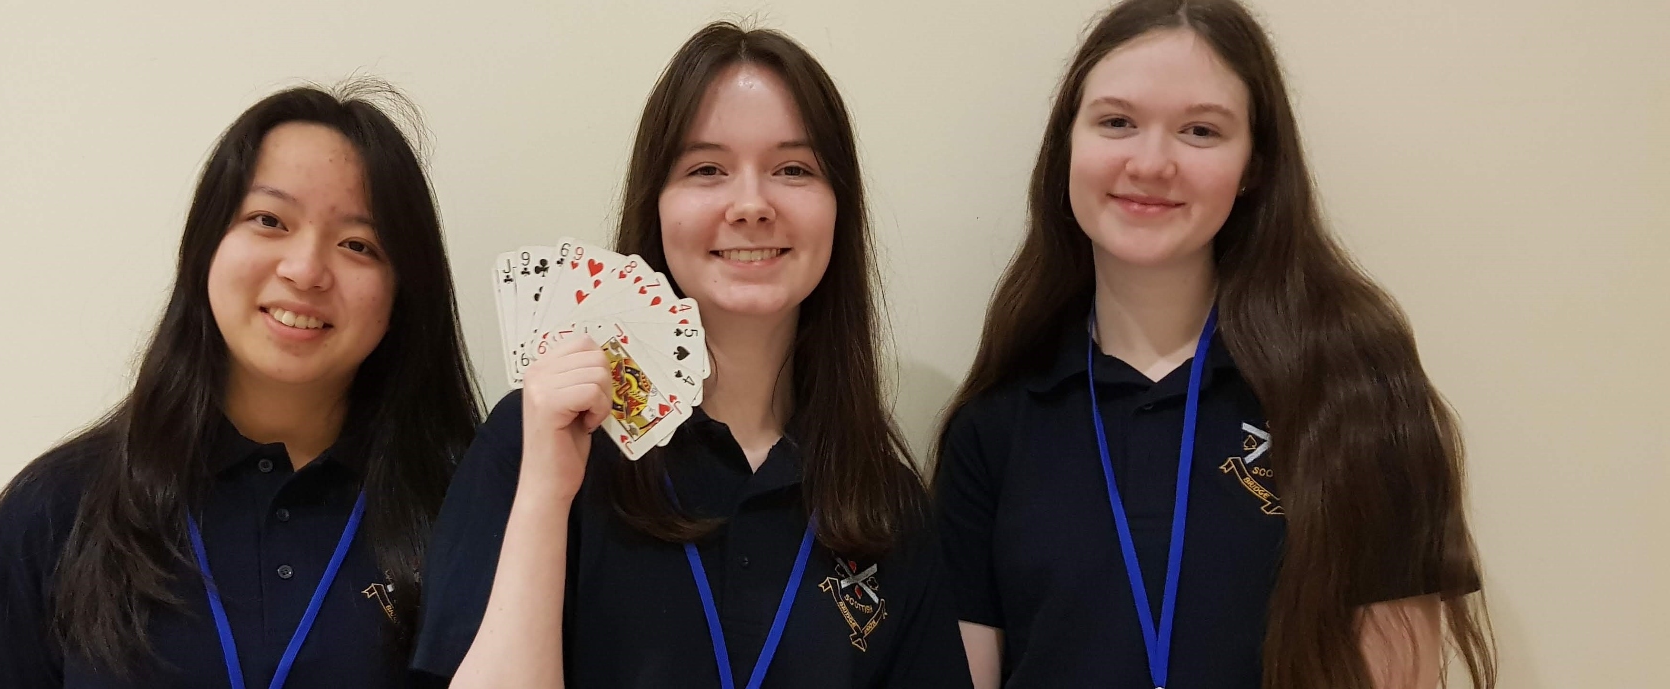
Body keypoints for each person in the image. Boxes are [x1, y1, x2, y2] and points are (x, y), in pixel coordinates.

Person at [933, 1, 1497, 687]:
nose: (1151, 162)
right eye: (1116, 122)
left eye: (1201, 130)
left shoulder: (1355, 386)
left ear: (1255, 164)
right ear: (1067, 148)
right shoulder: (992, 426)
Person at [413, 22, 974, 689]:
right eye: (706, 169)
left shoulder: (883, 502)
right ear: (657, 206)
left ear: (838, 208)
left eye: (793, 169)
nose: (750, 204)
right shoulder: (538, 433)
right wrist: (544, 492)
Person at [0, 81, 481, 688]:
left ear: (403, 291)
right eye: (269, 220)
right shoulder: (57, 507)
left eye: (358, 244)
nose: (304, 269)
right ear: (205, 246)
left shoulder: (468, 513)